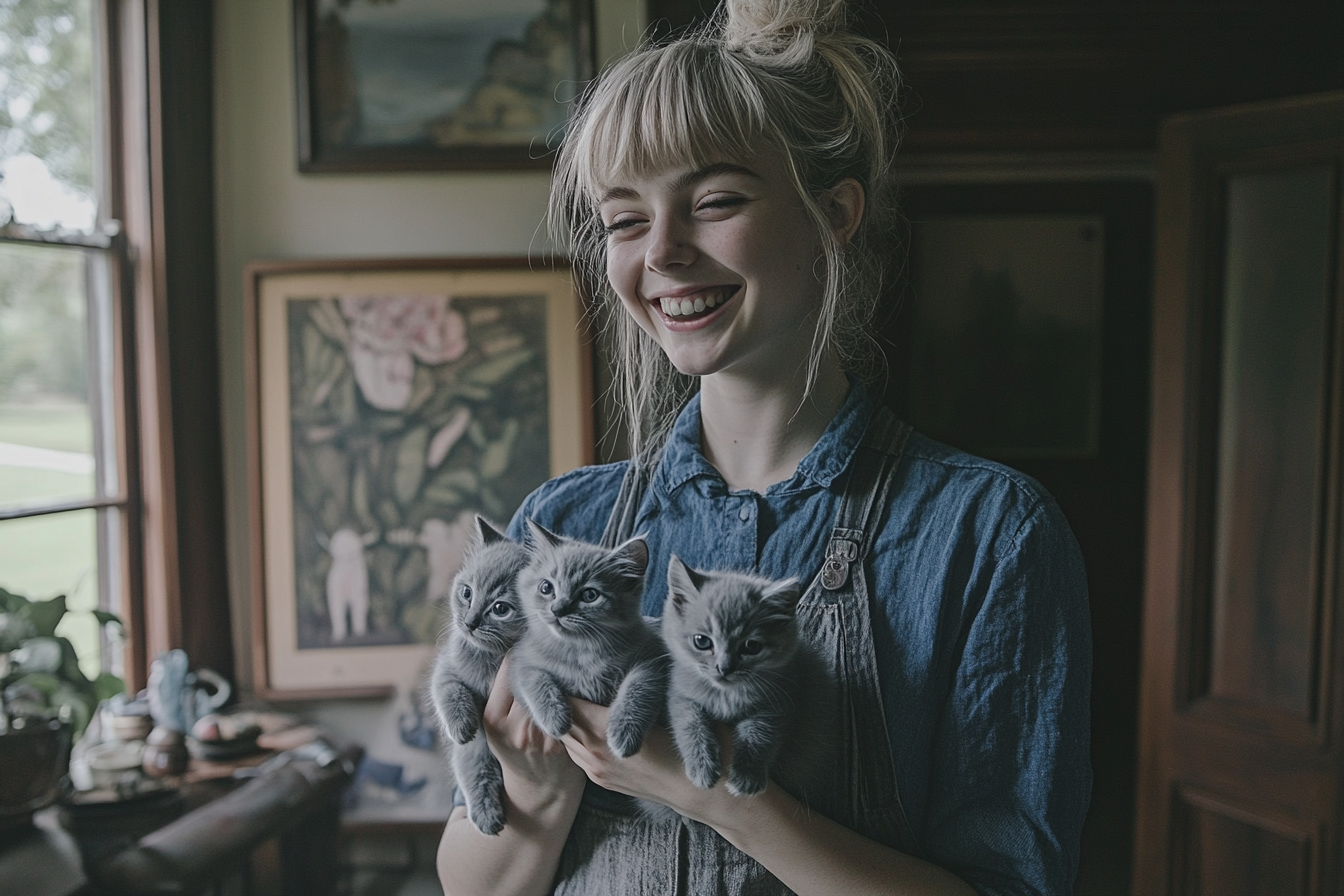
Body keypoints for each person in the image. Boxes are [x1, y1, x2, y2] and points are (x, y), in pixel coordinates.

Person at [436, 0, 1092, 891]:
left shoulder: (988, 535)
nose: (662, 253)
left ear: (836, 212)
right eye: (625, 220)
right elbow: (477, 882)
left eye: (714, 203)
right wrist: (540, 788)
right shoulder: (562, 526)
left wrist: (724, 796)